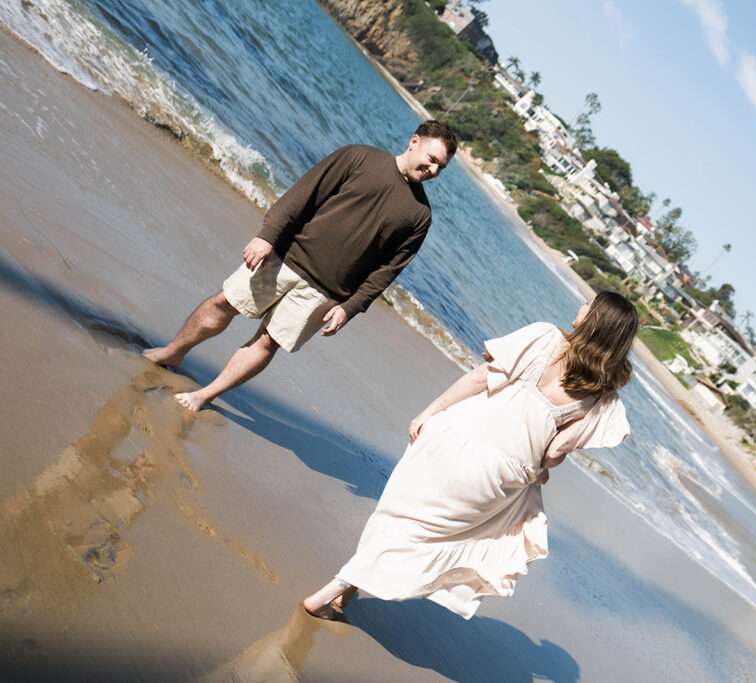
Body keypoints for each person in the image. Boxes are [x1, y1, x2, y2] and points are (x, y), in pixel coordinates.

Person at [302, 291, 639, 620]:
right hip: (502, 476)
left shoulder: (545, 337)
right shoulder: (601, 395)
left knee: (403, 517)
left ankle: (330, 591)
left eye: (588, 304)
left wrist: (430, 410)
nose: (581, 304)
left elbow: (481, 378)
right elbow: (553, 454)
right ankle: (349, 589)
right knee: (429, 533)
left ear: (595, 319)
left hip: (459, 439)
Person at [144, 120, 459, 410]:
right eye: (431, 159)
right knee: (224, 301)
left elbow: (387, 271)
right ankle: (172, 351)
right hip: (284, 258)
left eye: (440, 168)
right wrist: (267, 236)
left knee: (267, 342)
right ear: (414, 141)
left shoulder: (420, 216)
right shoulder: (359, 157)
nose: (432, 169)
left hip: (325, 292)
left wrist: (349, 309)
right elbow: (304, 194)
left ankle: (203, 395)